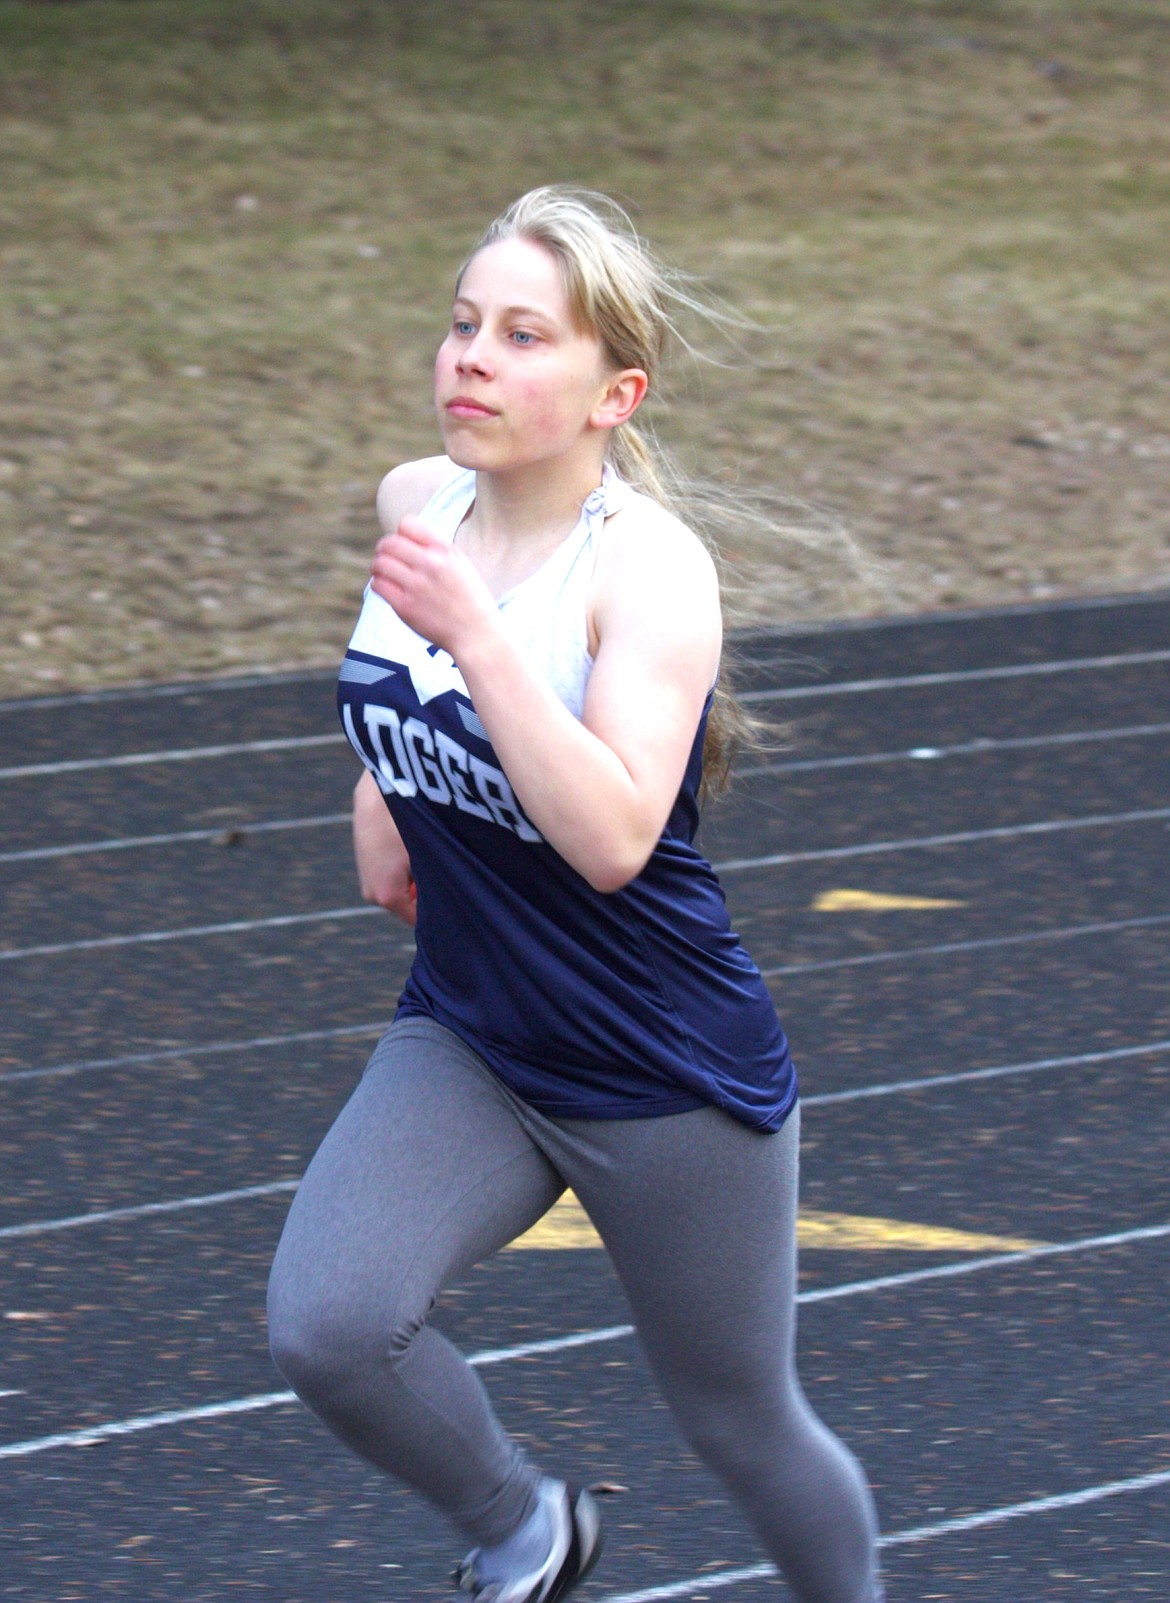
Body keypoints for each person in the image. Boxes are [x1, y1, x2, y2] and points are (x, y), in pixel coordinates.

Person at [267, 186, 884, 1603]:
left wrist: (475, 638)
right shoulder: (418, 503)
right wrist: (382, 793)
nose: (471, 356)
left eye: (523, 335)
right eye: (463, 322)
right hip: (475, 1033)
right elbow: (392, 677)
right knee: (329, 1326)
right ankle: (524, 1528)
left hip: (659, 1063)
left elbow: (611, 835)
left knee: (738, 1419)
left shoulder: (649, 572)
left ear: (615, 394)